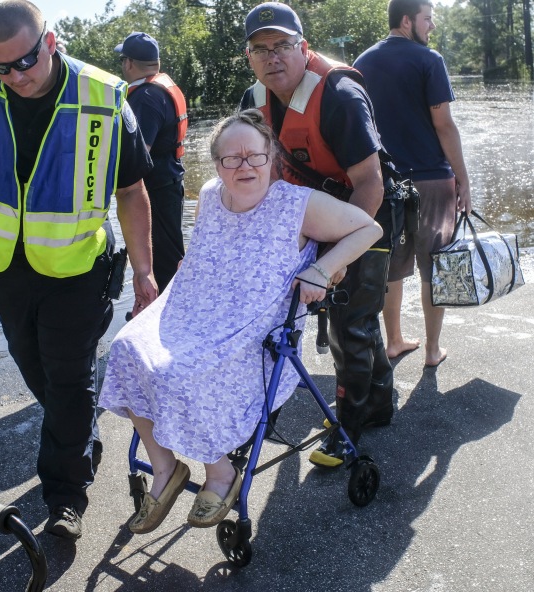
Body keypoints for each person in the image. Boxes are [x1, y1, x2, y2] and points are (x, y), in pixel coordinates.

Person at [0, 0, 157, 540]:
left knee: (69, 374)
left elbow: (132, 191)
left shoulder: (104, 96)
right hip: (4, 267)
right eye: (1, 66)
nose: (14, 77)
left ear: (50, 42)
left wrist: (144, 271)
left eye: (24, 63)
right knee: (36, 366)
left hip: (78, 266)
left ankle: (65, 496)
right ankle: (81, 437)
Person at [99, 110, 382, 534]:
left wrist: (323, 269)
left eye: (255, 156)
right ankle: (165, 468)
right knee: (125, 348)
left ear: (272, 158)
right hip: (192, 310)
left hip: (253, 326)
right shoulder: (212, 194)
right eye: (232, 158)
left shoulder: (296, 205)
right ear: (217, 164)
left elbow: (369, 228)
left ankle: (220, 473)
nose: (245, 166)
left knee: (179, 371)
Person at [239, 2, 405, 468]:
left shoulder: (340, 94)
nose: (273, 57)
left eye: (283, 46)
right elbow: (251, 173)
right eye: (260, 49)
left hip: (367, 210)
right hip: (315, 214)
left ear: (303, 47)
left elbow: (370, 182)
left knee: (346, 320)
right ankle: (379, 401)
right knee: (358, 316)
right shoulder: (253, 101)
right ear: (249, 56)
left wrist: (339, 260)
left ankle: (349, 425)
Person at [354, 0, 471, 367]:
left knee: (392, 264)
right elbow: (445, 125)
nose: (432, 25)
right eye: (428, 18)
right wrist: (463, 179)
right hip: (432, 179)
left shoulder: (361, 63)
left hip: (386, 182)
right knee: (434, 265)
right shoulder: (429, 60)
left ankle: (394, 341)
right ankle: (433, 350)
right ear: (407, 21)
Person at [114, 32, 188, 290]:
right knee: (169, 252)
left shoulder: (145, 98)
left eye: (123, 60)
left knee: (163, 260)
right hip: (169, 180)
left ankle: (168, 312)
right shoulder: (161, 86)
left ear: (129, 63)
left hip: (154, 190)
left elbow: (139, 153)